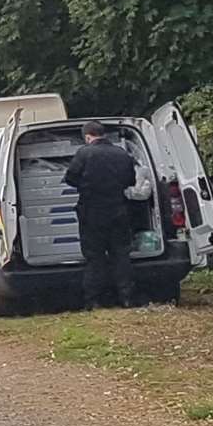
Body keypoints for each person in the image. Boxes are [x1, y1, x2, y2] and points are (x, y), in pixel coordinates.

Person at [64, 121, 137, 308]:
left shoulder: (84, 153)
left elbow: (71, 178)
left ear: (87, 136)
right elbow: (131, 180)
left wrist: (86, 185)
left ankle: (94, 300)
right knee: (121, 254)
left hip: (92, 211)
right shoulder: (122, 154)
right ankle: (126, 298)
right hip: (118, 209)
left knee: (94, 256)